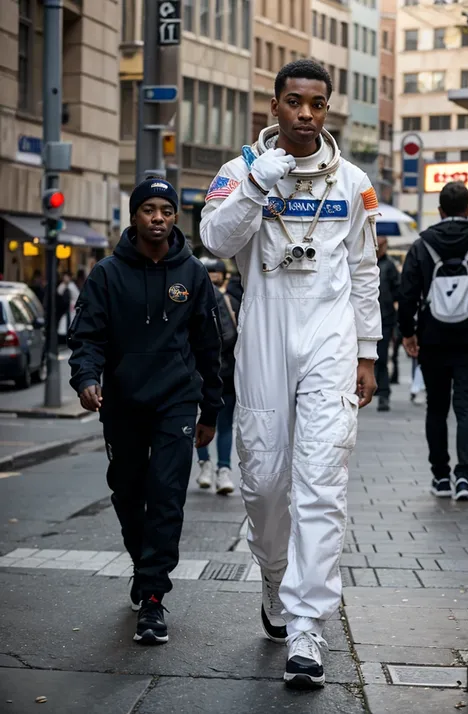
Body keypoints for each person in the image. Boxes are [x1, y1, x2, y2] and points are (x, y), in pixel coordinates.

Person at [200, 59, 381, 688]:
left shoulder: (353, 181)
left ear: (327, 109)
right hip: (265, 331)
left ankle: (307, 626)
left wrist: (367, 351)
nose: (307, 114)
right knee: (264, 481)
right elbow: (215, 241)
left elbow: (364, 271)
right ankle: (275, 579)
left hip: (328, 334)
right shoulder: (238, 171)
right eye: (295, 102)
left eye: (318, 104)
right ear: (274, 105)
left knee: (321, 479)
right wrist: (258, 184)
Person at [68, 178, 222, 645]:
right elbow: (86, 337)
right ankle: (143, 563)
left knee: (168, 495)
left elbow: (209, 346)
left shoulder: (192, 274)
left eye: (167, 210)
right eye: (149, 209)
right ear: (134, 216)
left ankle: (154, 598)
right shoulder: (107, 274)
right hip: (123, 402)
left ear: (176, 217)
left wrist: (210, 410)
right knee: (128, 491)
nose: (158, 217)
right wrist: (86, 380)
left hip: (176, 401)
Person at [399, 181, 468, 501]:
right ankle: (466, 478)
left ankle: (441, 477)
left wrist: (407, 333)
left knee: (437, 408)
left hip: (433, 338)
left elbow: (407, 293)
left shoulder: (421, 244)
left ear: (440, 210)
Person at [196, 257, 240, 495]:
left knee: (199, 421)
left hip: (200, 372)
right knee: (224, 424)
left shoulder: (195, 296)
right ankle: (223, 470)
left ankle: (206, 466)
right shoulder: (231, 300)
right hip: (227, 372)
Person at [375, 236, 400, 412]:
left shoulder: (389, 266)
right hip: (362, 318)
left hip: (384, 318)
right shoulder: (363, 263)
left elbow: (398, 291)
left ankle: (383, 393)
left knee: (382, 358)